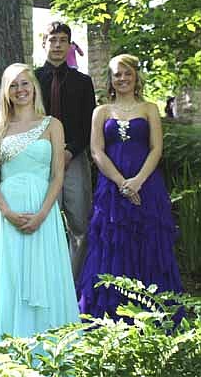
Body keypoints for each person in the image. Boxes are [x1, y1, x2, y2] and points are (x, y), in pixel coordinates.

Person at [0, 63, 79, 366]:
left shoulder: (53, 124)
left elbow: (57, 176)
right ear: (6, 91)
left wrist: (43, 213)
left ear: (34, 88)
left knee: (44, 273)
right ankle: (6, 352)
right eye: (13, 85)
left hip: (44, 211)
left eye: (25, 84)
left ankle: (50, 351)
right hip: (8, 213)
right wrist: (6, 212)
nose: (20, 90)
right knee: (10, 278)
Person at [77, 54, 182, 319]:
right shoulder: (100, 111)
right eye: (117, 74)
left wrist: (137, 181)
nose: (122, 79)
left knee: (148, 242)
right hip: (111, 189)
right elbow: (96, 151)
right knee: (112, 244)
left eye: (127, 74)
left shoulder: (149, 109)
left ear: (135, 77)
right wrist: (121, 182)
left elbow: (156, 148)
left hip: (147, 186)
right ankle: (109, 312)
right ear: (110, 80)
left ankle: (152, 313)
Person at [35, 21, 96, 280]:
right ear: (44, 43)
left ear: (69, 45)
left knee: (80, 224)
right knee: (45, 223)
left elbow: (88, 123)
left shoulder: (83, 82)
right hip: (40, 162)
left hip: (75, 159)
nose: (58, 45)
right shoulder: (32, 80)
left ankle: (72, 284)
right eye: (53, 40)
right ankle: (47, 281)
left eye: (63, 40)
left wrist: (70, 150)